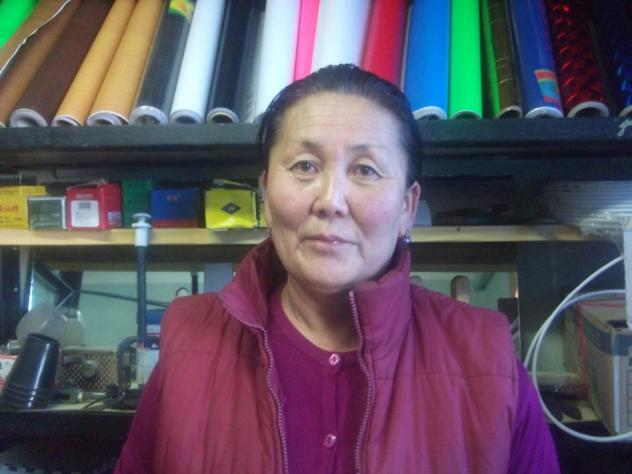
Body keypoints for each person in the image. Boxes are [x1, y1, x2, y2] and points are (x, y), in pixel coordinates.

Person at [115, 64, 559, 473]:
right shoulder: (188, 342)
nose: (330, 201)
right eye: (305, 166)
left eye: (365, 170)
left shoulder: (487, 360)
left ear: (407, 208)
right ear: (265, 195)